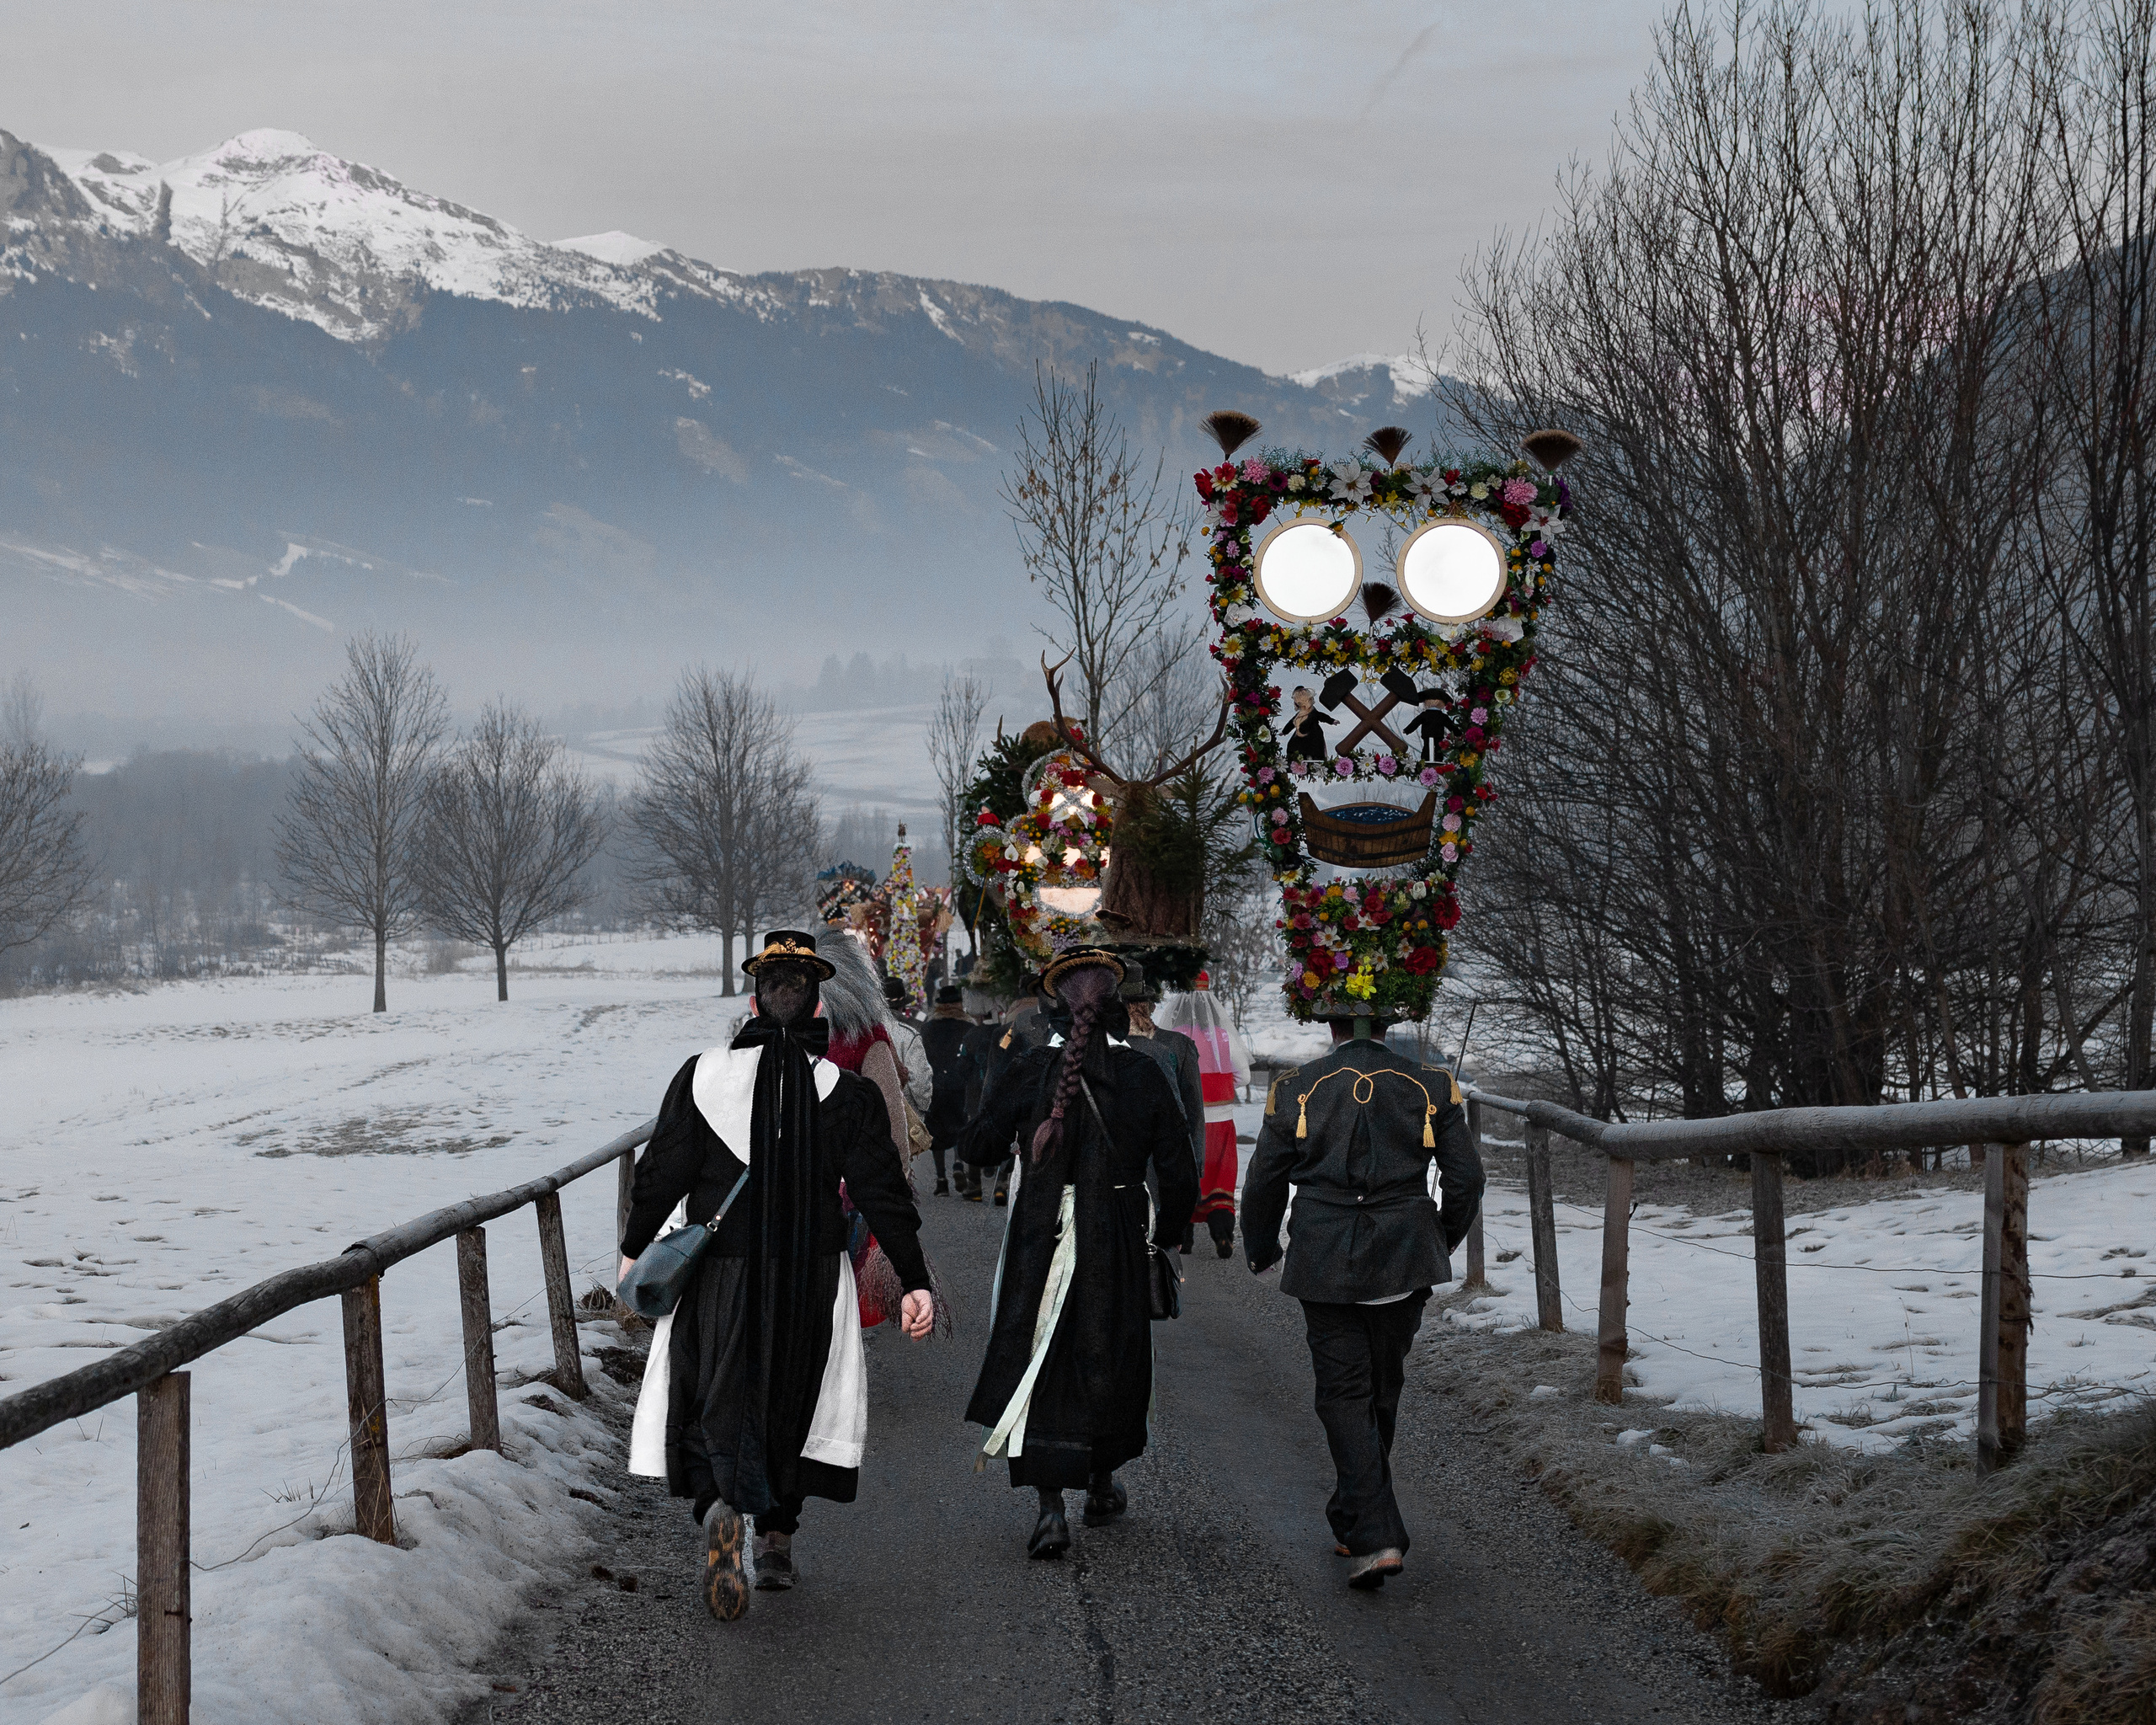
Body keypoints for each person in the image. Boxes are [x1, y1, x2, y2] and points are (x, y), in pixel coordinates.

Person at [619, 930, 935, 1621]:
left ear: (756, 998)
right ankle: (776, 1545)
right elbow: (885, 1193)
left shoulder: (700, 1075)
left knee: (712, 1398)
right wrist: (914, 1280)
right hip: (812, 1281)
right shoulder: (847, 1095)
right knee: (796, 1402)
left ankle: (719, 1505)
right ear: (817, 1003)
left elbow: (659, 1175)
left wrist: (633, 1246)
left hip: (717, 1279)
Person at [961, 948, 1197, 1559]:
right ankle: (1099, 1482)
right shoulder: (1144, 1075)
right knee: (1109, 1352)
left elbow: (979, 1146)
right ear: (1117, 1006)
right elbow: (1180, 1171)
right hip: (1117, 1233)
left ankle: (1049, 1508)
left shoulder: (1032, 1069)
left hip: (1041, 1235)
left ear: (1053, 1006)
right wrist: (1168, 1237)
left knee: (1040, 1351)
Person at [1240, 1013, 1483, 1591]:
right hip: (1405, 1252)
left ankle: (1373, 1535)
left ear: (1329, 1022)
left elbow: (1265, 1181)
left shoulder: (1295, 1087)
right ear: (1391, 1018)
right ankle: (1355, 1519)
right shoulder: (1432, 1083)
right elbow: (1467, 1179)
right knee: (1380, 1385)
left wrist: (1260, 1246)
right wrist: (1439, 1238)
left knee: (1346, 1392)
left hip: (1324, 1254)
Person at [1155, 971, 1251, 1258]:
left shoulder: (1172, 1038)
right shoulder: (1224, 1037)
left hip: (1185, 1120)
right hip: (1220, 1120)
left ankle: (1183, 1238)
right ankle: (1222, 1232)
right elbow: (1244, 1077)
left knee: (1184, 1176)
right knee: (1221, 1179)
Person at [1120, 961, 1203, 1218]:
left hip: (1160, 1158)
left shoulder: (1178, 1046)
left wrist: (1194, 1166)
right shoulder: (1112, 1045)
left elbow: (1192, 1110)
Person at [921, 983, 973, 1195]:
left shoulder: (928, 1028)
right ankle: (959, 1165)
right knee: (960, 1126)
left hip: (936, 1084)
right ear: (959, 1004)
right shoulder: (968, 1028)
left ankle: (941, 1181)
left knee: (936, 1133)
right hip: (958, 1085)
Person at [1283, 684, 1333, 764]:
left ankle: (1314, 758)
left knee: (1314, 745)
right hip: (1301, 734)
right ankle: (1298, 758)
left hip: (1314, 733)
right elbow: (1291, 723)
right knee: (1293, 744)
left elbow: (1322, 716)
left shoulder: (1313, 712)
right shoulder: (1299, 715)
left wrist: (1332, 721)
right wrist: (1284, 731)